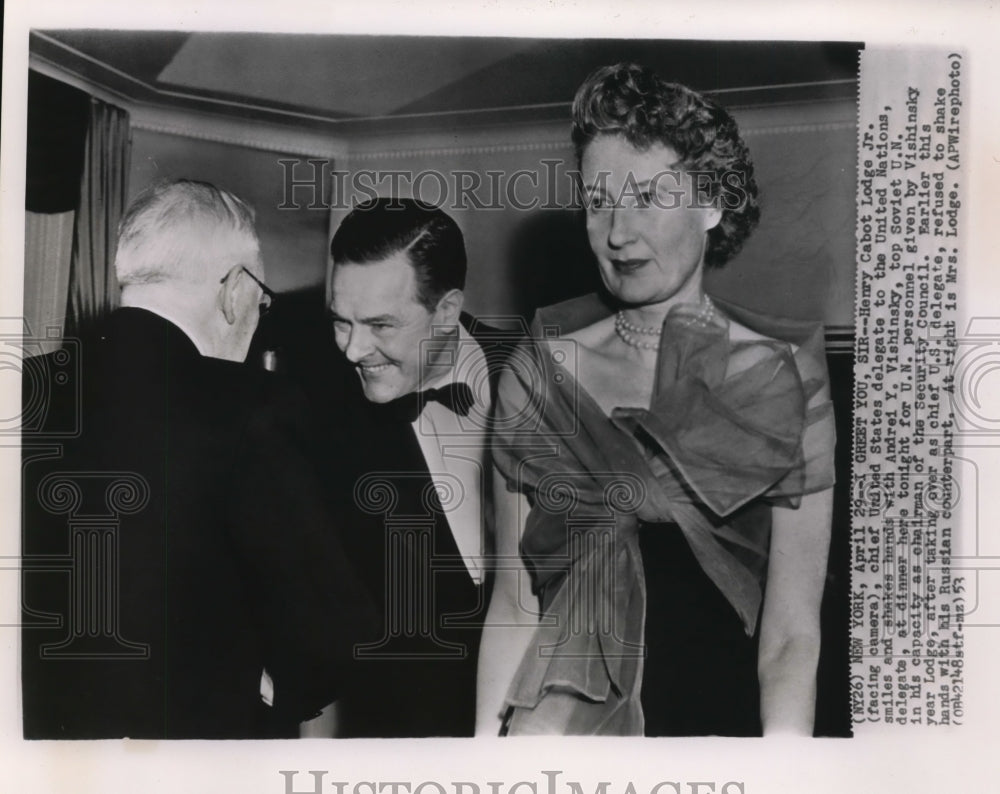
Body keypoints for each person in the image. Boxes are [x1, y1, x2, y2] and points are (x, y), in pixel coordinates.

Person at [477, 63, 836, 737]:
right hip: (559, 735)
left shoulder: (781, 382)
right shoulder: (540, 371)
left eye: (647, 197)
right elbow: (513, 607)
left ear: (712, 203)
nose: (617, 233)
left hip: (716, 733)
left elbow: (791, 639)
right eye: (598, 202)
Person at [20, 179, 374, 739]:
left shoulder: (26, 390)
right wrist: (265, 684)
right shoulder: (255, 406)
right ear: (235, 290)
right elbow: (333, 633)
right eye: (261, 300)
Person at [312, 197, 514, 737]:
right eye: (341, 323)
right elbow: (319, 640)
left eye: (380, 325)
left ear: (446, 310)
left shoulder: (541, 373)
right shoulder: (316, 425)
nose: (353, 350)